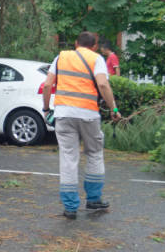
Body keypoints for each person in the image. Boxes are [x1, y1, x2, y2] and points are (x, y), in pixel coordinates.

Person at [42, 31, 121, 220]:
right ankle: (93, 199)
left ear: (76, 43)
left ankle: (70, 208)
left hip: (63, 114)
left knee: (69, 158)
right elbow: (102, 84)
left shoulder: (60, 57)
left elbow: (47, 85)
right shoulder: (97, 59)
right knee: (94, 153)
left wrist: (46, 109)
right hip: (88, 114)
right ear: (94, 46)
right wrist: (114, 108)